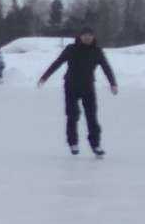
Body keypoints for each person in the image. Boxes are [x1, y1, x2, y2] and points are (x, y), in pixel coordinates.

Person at [37, 27, 118, 156]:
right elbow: (57, 63)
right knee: (73, 114)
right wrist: (44, 77)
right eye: (85, 35)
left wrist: (113, 83)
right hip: (71, 86)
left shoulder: (97, 51)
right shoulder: (71, 49)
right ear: (80, 37)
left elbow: (106, 67)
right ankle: (73, 143)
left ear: (93, 37)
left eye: (90, 35)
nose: (87, 38)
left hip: (88, 87)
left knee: (92, 117)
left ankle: (95, 145)